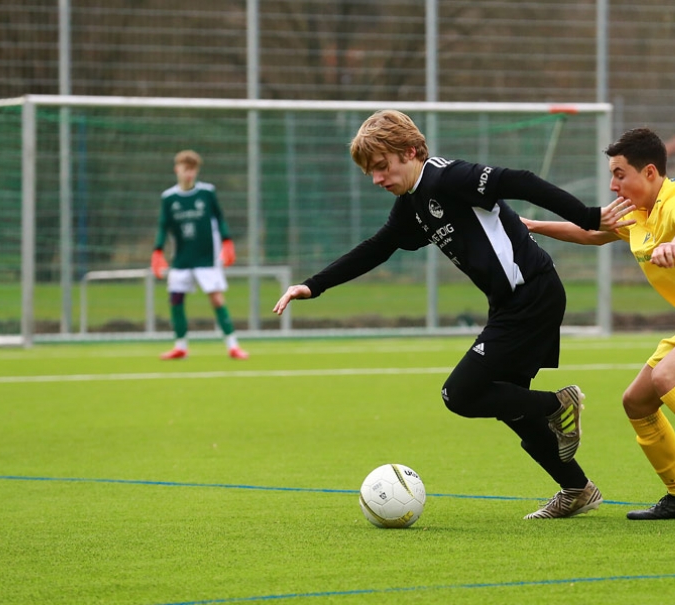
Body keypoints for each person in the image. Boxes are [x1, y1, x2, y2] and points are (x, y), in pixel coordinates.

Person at [271, 109, 633, 519]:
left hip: (532, 295)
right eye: (370, 172)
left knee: (459, 393)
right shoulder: (411, 204)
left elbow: (522, 181)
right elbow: (377, 247)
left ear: (410, 152)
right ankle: (576, 488)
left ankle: (557, 404)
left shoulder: (448, 177)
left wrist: (587, 216)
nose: (376, 179)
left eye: (381, 166)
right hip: (512, 304)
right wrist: (313, 285)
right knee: (511, 405)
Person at [522, 127, 675, 521]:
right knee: (637, 401)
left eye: (620, 174)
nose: (612, 184)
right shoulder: (637, 214)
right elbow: (592, 233)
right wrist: (534, 227)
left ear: (651, 172)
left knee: (667, 377)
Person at [151, 150, 248, 360]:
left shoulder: (207, 192)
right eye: (186, 169)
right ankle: (181, 347)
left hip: (207, 258)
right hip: (182, 259)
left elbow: (220, 218)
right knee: (175, 299)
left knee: (217, 299)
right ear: (177, 169)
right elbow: (163, 226)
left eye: (193, 170)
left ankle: (233, 346)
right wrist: (157, 251)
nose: (189, 174)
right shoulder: (169, 198)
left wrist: (227, 241)